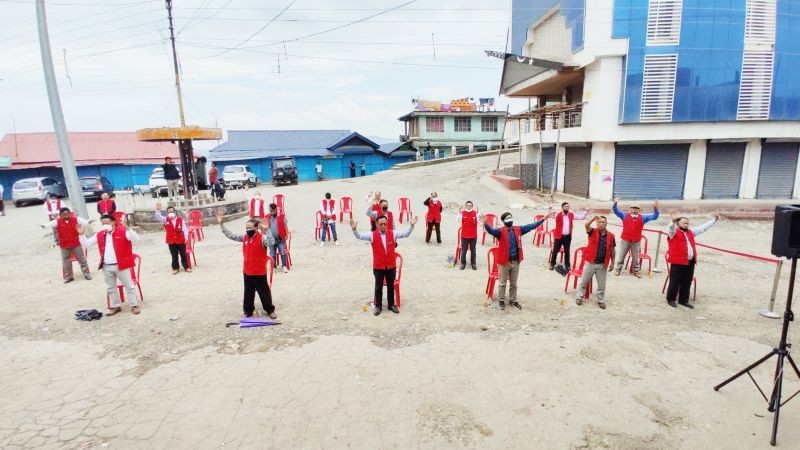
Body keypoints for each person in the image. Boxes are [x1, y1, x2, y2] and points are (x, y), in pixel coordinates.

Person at [482, 209, 550, 310]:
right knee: (502, 283)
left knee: (514, 283)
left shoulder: (518, 229)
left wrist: (544, 218)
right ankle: (501, 300)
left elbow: (531, 226)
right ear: (504, 221)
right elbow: (491, 231)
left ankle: (513, 300)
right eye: (507, 218)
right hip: (504, 262)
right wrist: (486, 224)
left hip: (516, 261)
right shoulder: (500, 231)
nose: (510, 220)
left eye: (511, 217)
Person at [350, 215, 417, 316]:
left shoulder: (393, 233)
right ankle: (378, 306)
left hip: (391, 265)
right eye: (381, 224)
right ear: (377, 224)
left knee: (391, 286)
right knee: (378, 287)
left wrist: (411, 226)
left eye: (385, 224)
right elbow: (359, 236)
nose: (383, 226)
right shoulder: (372, 235)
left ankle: (391, 305)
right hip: (378, 266)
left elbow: (405, 234)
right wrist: (354, 229)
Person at [217, 209, 278, 319]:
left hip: (259, 272)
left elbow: (271, 242)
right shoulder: (244, 237)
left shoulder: (262, 238)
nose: (248, 230)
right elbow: (231, 235)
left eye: (250, 228)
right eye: (246, 228)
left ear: (256, 228)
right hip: (247, 271)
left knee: (264, 293)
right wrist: (222, 224)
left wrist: (267, 230)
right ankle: (248, 311)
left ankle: (270, 310)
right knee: (248, 294)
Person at [80, 213, 140, 315]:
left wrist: (127, 228)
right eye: (103, 223)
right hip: (106, 265)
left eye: (107, 223)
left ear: (113, 222)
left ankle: (134, 305)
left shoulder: (122, 231)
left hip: (121, 264)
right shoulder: (100, 234)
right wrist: (81, 235)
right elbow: (86, 244)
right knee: (110, 287)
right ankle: (116, 306)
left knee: (129, 285)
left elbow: (136, 239)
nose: (104, 225)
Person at [665, 212, 720, 308]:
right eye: (684, 223)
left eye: (687, 223)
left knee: (687, 281)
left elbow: (702, 228)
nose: (686, 225)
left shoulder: (690, 232)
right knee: (675, 281)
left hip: (690, 261)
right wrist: (673, 221)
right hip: (678, 262)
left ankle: (683, 300)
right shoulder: (673, 233)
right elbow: (670, 229)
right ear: (678, 224)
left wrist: (714, 220)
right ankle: (671, 299)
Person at [575, 216, 616, 309]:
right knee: (584, 281)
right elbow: (586, 225)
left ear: (606, 224)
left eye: (603, 222)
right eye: (599, 222)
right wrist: (594, 218)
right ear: (597, 224)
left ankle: (601, 300)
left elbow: (613, 250)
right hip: (590, 262)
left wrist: (613, 263)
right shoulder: (592, 232)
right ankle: (579, 297)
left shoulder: (611, 236)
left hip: (602, 264)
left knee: (602, 285)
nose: (601, 224)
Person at [42, 207, 92, 283]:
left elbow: (85, 223)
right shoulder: (57, 221)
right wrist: (43, 226)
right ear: (60, 215)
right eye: (63, 214)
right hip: (64, 245)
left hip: (76, 243)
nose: (66, 215)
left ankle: (87, 274)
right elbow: (48, 225)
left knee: (82, 259)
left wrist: (88, 223)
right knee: (66, 261)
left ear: (69, 213)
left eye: (67, 214)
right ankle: (69, 276)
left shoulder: (76, 219)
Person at [612, 198, 659, 278]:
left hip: (636, 240)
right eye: (633, 208)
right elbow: (616, 211)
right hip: (625, 239)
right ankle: (618, 269)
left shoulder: (643, 218)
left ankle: (636, 271)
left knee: (635, 257)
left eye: (636, 208)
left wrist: (655, 208)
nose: (634, 210)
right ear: (630, 209)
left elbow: (654, 217)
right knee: (622, 255)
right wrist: (615, 203)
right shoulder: (624, 215)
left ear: (639, 210)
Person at [549, 202, 589, 271]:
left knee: (567, 252)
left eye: (568, 206)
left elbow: (581, 217)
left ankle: (567, 265)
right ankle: (552, 264)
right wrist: (550, 208)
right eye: (566, 206)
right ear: (562, 207)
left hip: (567, 236)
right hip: (559, 236)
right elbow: (550, 216)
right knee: (555, 250)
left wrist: (586, 211)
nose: (567, 208)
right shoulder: (558, 215)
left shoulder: (571, 215)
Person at [154, 203, 191, 274]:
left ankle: (186, 267)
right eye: (169, 212)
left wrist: (186, 238)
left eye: (172, 211)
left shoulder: (180, 219)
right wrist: (158, 210)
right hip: (171, 240)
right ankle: (175, 268)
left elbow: (185, 229)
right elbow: (158, 217)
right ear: (167, 213)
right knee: (174, 255)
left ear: (175, 212)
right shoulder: (165, 219)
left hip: (180, 239)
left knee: (183, 254)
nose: (171, 213)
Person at [265, 203, 290, 273]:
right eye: (271, 211)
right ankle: (274, 267)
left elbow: (285, 226)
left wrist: (287, 234)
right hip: (270, 239)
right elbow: (264, 228)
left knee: (282, 252)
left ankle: (284, 266)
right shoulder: (266, 217)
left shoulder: (282, 216)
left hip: (280, 238)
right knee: (272, 253)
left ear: (276, 209)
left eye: (274, 211)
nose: (272, 213)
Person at [457, 200, 480, 270]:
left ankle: (473, 263)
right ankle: (463, 263)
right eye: (467, 205)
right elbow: (457, 220)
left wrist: (478, 214)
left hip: (473, 236)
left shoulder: (476, 213)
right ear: (465, 206)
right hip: (464, 236)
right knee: (464, 250)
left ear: (472, 206)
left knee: (473, 250)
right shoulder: (462, 213)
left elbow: (480, 221)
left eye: (470, 205)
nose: (469, 207)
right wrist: (459, 212)